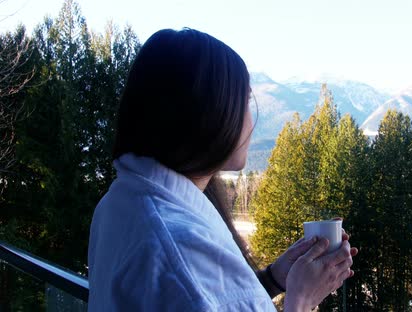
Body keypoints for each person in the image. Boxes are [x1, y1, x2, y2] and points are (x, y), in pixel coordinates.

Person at [88, 28, 357, 311]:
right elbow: (189, 288)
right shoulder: (182, 248)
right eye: (245, 102)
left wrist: (274, 278)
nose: (251, 121)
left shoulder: (119, 204)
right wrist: (301, 299)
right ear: (210, 114)